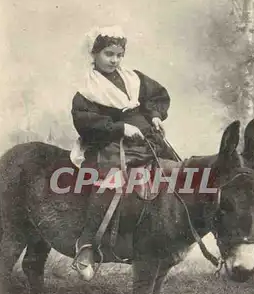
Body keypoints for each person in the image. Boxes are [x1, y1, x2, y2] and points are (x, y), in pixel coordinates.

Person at [71, 26, 176, 279]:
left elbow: (157, 97)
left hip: (145, 138)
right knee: (109, 182)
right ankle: (85, 247)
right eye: (108, 54)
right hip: (108, 142)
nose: (115, 60)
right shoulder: (87, 88)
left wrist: (154, 116)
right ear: (94, 54)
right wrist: (120, 127)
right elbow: (84, 120)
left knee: (173, 172)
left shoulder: (133, 78)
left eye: (119, 55)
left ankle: (160, 239)